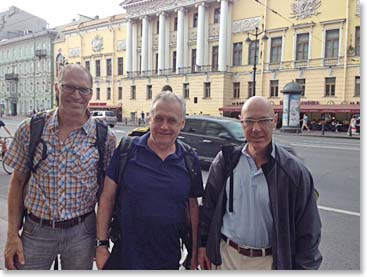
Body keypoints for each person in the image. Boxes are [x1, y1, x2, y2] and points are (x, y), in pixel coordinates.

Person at [3, 64, 116, 270]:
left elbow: (107, 195)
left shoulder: (104, 137)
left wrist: (102, 242)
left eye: (83, 90)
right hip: (36, 231)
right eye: (69, 87)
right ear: (57, 88)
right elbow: (17, 183)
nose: (76, 95)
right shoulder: (31, 128)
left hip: (81, 233)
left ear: (90, 94)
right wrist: (12, 235)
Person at [198, 96, 322, 270]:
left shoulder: (293, 172)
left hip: (268, 262)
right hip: (226, 257)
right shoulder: (226, 161)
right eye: (249, 121)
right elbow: (209, 207)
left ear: (274, 122)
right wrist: (202, 246)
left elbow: (309, 232)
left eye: (263, 120)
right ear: (242, 123)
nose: (256, 129)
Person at [96, 91, 204, 270]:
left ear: (182, 124)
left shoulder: (189, 159)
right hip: (125, 259)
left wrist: (193, 253)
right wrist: (101, 245)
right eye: (159, 118)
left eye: (172, 121)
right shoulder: (127, 150)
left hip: (167, 260)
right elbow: (107, 198)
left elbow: (193, 208)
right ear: (149, 118)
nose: (164, 126)